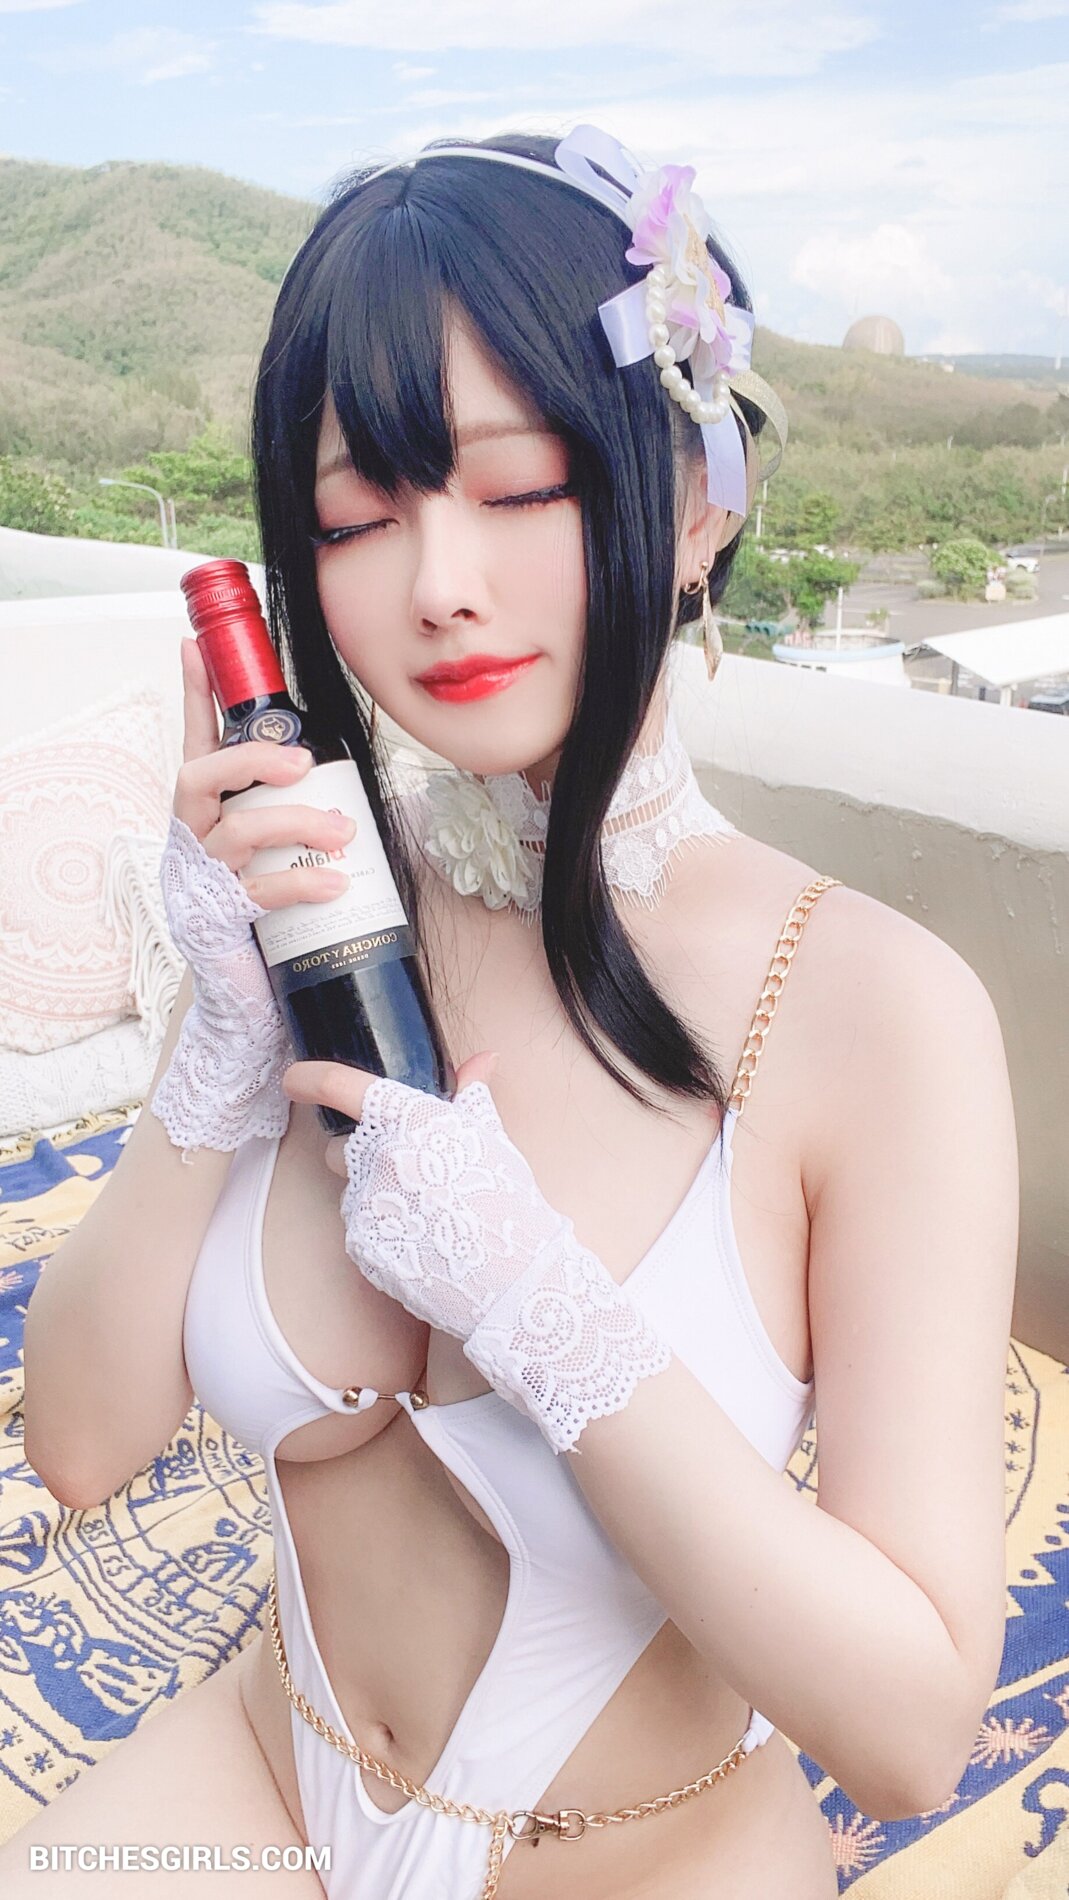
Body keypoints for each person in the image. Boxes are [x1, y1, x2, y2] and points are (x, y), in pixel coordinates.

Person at [8, 125, 1018, 1899]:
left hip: (638, 1862)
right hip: (269, 1769)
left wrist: (537, 1306)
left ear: (696, 503)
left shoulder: (872, 1009)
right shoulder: (324, 903)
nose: (435, 583)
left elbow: (914, 1731)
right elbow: (79, 1452)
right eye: (356, 517)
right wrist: (211, 1065)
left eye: (520, 485)